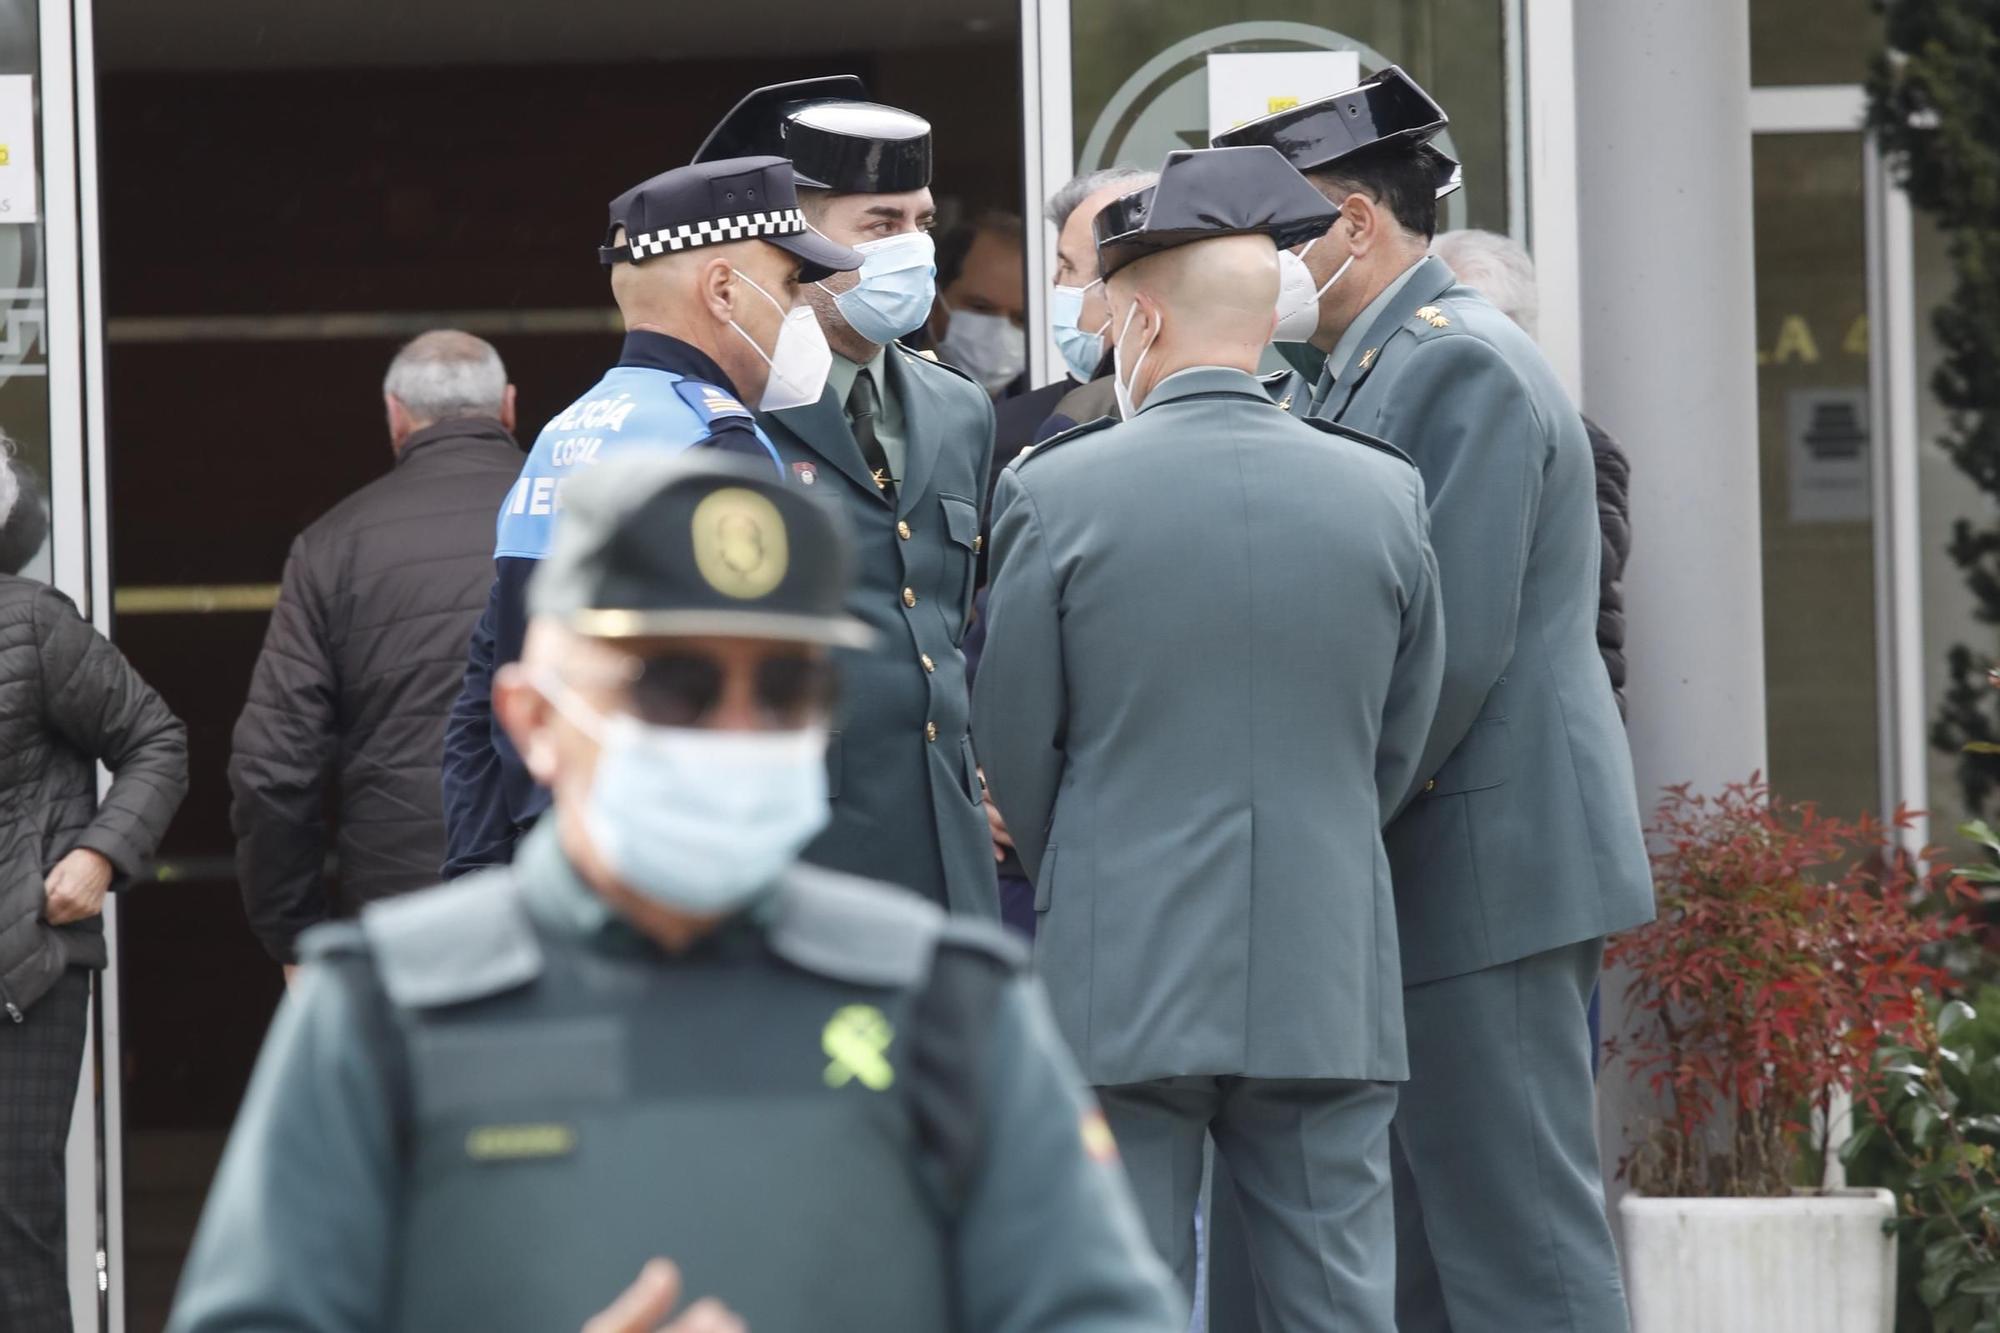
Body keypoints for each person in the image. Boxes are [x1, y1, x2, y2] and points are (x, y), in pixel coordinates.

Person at [168, 452, 1185, 1333]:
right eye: (672, 685)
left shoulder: (948, 1009)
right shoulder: (386, 1016)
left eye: (786, 689)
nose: (735, 733)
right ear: (529, 719)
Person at [974, 146, 1446, 1332]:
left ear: (1138, 316)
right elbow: (1397, 736)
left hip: (1117, 954)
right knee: (1336, 1301)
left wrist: (1074, 854)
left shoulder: (1055, 491)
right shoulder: (1381, 490)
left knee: (1112, 1293)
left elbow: (1016, 740)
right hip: (1321, 955)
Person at [1218, 68, 1653, 1332]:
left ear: (1354, 222)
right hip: (1438, 853)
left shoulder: (1456, 364)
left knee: (1516, 1243)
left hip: (1485, 857)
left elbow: (1442, 650)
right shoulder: (1369, 365)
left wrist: (1318, 813)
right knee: (1418, 1244)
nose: (1258, 264)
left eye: (1275, 229)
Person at [440, 155, 860, 878]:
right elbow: (749, 692)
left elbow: (486, 684)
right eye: (793, 286)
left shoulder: (564, 432)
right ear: (724, 289)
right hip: (670, 858)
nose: (803, 312)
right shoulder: (714, 442)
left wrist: (481, 873)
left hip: (550, 853)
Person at [694, 77, 1000, 917]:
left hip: (942, 846)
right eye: (881, 224)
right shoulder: (726, 404)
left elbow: (949, 619)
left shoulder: (957, 405)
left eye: (923, 222)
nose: (913, 248)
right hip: (799, 853)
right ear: (796, 240)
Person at [230, 331, 523, 972]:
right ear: (508, 406)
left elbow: (274, 767)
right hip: (555, 900)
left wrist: (294, 936)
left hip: (402, 917)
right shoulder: (581, 518)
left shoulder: (333, 545)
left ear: (394, 413)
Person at [0, 436, 188, 1333]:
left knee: (13, 1237)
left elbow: (157, 741)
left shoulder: (34, 623)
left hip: (23, 975)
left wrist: (100, 855)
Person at [1429, 228, 1632, 718]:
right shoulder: (1433, 431)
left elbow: (1570, 586)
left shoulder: (1581, 447)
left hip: (1538, 729)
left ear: (1508, 333)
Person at [925, 210, 1028, 397]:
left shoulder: (1046, 401)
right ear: (934, 299)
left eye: (1020, 318)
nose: (1000, 334)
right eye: (981, 308)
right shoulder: (883, 385)